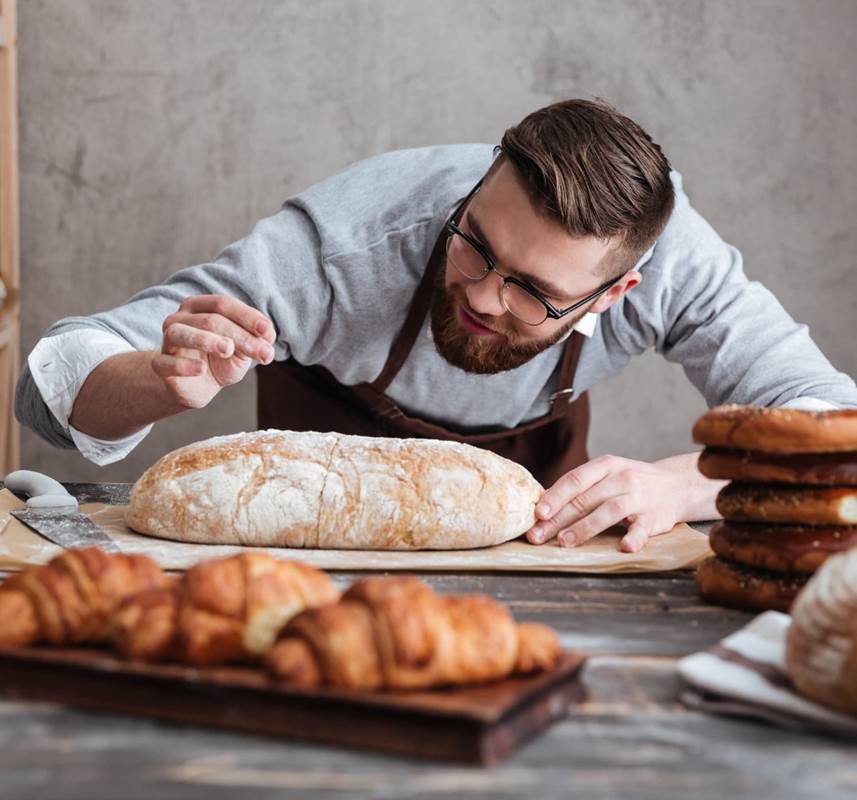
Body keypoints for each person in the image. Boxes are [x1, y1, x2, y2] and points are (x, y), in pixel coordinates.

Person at [16, 99, 857, 553]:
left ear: (615, 294)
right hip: (319, 558)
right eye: (475, 246)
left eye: (532, 290)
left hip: (550, 555)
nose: (487, 297)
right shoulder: (347, 244)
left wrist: (688, 483)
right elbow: (47, 389)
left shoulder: (679, 266)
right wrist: (157, 384)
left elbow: (836, 427)